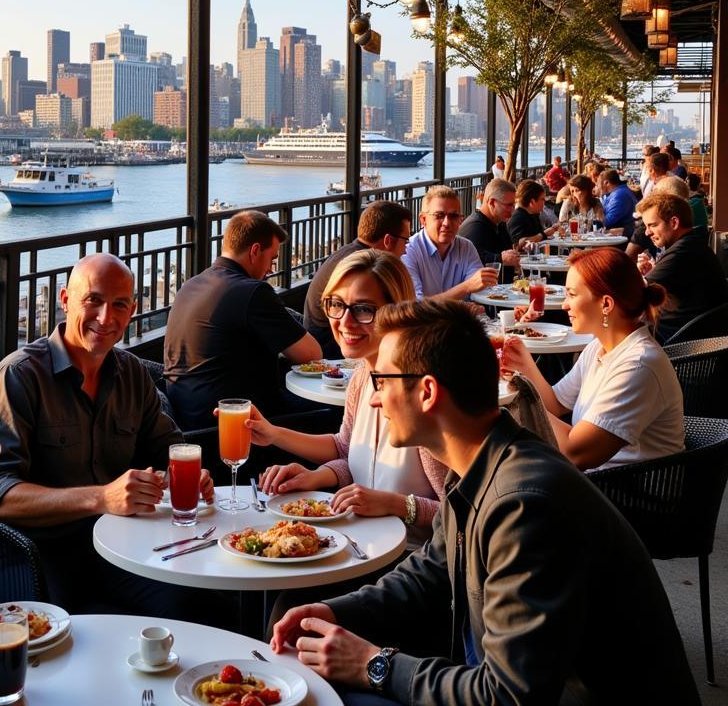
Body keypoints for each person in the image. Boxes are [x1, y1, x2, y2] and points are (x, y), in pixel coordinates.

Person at [270, 299, 699, 706]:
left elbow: (510, 695)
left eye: (381, 381)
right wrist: (334, 611)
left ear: (427, 392)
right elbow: (429, 572)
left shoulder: (525, 504)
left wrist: (374, 665)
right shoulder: (481, 462)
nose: (376, 397)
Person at [0, 253, 218, 616]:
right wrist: (101, 498)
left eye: (119, 305)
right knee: (61, 633)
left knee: (198, 599)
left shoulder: (131, 373)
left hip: (116, 546)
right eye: (94, 301)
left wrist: (189, 474)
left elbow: (170, 447)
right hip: (28, 551)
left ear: (132, 310)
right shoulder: (19, 376)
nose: (106, 318)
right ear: (65, 300)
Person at [256, 251, 444, 545]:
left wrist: (396, 505)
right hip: (356, 544)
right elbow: (350, 453)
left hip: (412, 561)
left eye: (364, 309)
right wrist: (314, 477)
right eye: (337, 305)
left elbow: (463, 514)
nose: (345, 321)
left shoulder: (424, 395)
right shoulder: (360, 377)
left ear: (397, 311)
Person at [501, 248, 683, 469]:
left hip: (623, 496)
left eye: (572, 294)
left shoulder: (638, 365)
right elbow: (556, 403)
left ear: (606, 304)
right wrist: (523, 365)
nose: (564, 304)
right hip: (594, 486)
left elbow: (574, 453)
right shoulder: (599, 346)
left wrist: (524, 394)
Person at [163, 210, 321, 429]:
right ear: (255, 251)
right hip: (233, 426)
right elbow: (312, 354)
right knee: (332, 416)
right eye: (272, 259)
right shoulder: (252, 292)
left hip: (187, 421)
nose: (269, 270)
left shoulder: (190, 285)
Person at [304, 202, 412, 358]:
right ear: (388, 240)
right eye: (405, 241)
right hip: (330, 348)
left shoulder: (349, 253)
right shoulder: (365, 269)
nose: (406, 249)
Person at [636, 193, 728, 344]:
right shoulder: (692, 244)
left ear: (674, 223)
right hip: (684, 338)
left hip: (678, 346)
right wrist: (654, 271)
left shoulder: (682, 251)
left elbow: (632, 293)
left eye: (652, 225)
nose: (647, 232)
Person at [401, 186, 495, 300]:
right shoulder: (408, 251)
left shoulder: (466, 247)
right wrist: (466, 288)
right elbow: (415, 306)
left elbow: (480, 291)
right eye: (439, 216)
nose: (446, 223)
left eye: (453, 216)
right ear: (423, 220)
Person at [456, 179, 521, 270]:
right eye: (509, 205)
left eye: (513, 205)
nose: (512, 210)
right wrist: (500, 259)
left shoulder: (500, 223)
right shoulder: (475, 227)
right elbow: (471, 259)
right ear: (491, 202)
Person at [597, 168, 636, 234]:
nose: (597, 187)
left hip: (623, 237)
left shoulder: (619, 195)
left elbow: (606, 222)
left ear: (606, 183)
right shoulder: (619, 192)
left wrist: (597, 210)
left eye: (598, 184)